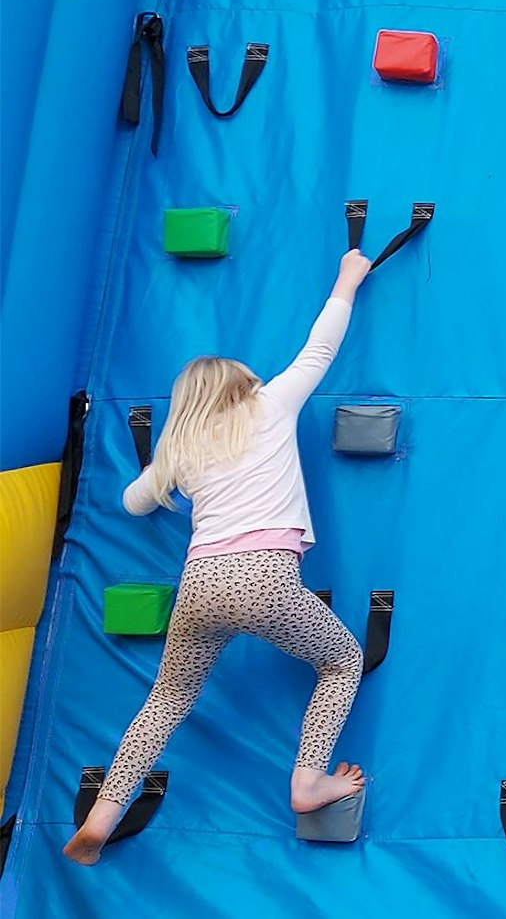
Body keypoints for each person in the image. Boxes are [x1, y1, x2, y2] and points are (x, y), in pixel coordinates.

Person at [64, 250, 375, 866]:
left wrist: (159, 479)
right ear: (242, 386)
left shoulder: (184, 447)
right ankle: (308, 781)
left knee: (164, 701)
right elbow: (319, 348)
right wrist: (346, 278)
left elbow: (130, 503)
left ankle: (103, 813)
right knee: (342, 662)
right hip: (263, 575)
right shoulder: (270, 407)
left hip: (199, 583)